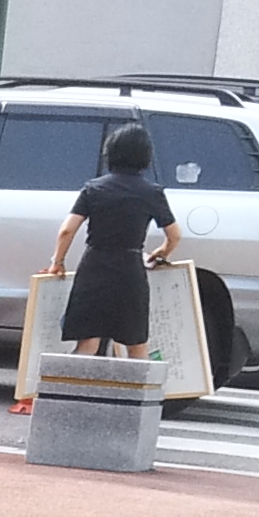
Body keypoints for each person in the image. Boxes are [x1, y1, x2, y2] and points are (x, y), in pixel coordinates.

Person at [48, 123, 180, 359]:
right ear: (145, 157)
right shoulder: (152, 193)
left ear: (111, 154)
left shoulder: (94, 189)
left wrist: (57, 261)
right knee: (135, 341)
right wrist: (161, 253)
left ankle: (75, 392)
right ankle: (137, 395)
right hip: (130, 268)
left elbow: (66, 230)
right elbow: (175, 235)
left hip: (94, 265)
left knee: (88, 340)